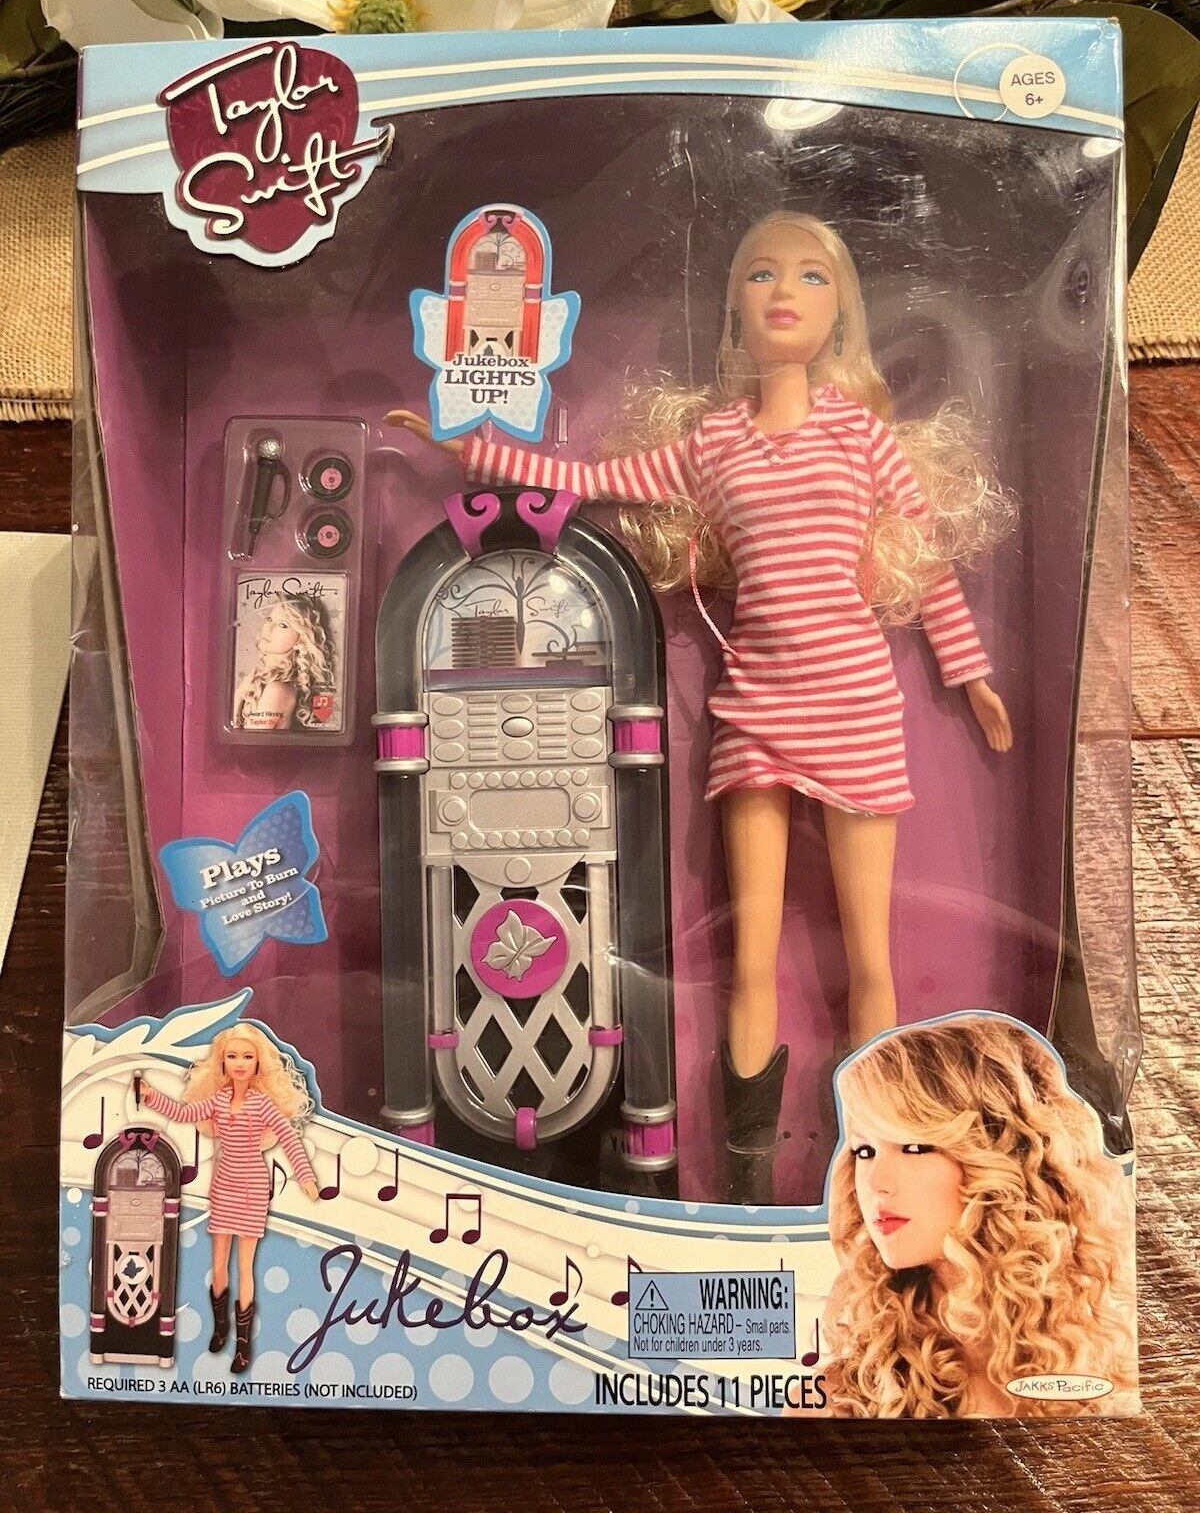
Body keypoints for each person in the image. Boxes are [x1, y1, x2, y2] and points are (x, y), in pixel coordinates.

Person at [388, 211, 1013, 1202]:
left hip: (856, 704)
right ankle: (752, 1184)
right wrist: (479, 450)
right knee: (750, 957)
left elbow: (927, 561)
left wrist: (970, 675)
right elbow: (594, 482)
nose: (783, 292)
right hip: (755, 710)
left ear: (841, 310)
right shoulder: (715, 442)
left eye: (809, 276)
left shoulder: (863, 437)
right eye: (761, 274)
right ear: (734, 309)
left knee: (871, 956)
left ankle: (874, 1171)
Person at [821, 1015, 1137, 1417]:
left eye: (915, 1148)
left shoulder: (1109, 1372)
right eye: (864, 1151)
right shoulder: (838, 1399)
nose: (875, 1183)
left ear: (1004, 1156)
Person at [136, 1023, 319, 1373]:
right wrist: (151, 1095)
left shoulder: (263, 1105)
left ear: (258, 1062)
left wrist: (306, 1177)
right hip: (224, 1186)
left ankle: (243, 1345)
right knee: (218, 1264)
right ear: (221, 1061)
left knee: (244, 1267)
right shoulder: (219, 1099)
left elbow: (289, 1137)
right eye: (232, 1056)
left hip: (252, 1187)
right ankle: (221, 1328)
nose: (240, 1063)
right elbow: (185, 1113)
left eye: (247, 1057)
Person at [232, 596, 335, 733]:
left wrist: (238, 696)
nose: (268, 628)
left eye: (282, 625)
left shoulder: (278, 690)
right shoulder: (271, 684)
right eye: (270, 619)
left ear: (300, 640)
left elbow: (249, 744)